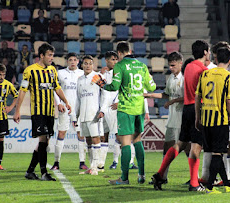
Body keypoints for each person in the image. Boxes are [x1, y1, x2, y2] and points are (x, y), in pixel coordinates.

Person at [92, 41, 156, 184]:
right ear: (130, 50)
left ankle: (124, 178)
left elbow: (114, 86)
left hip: (126, 109)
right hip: (139, 108)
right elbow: (152, 86)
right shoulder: (142, 65)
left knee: (125, 143)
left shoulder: (120, 66)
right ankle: (141, 175)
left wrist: (101, 83)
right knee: (138, 140)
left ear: (119, 53)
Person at [151, 40, 209, 191]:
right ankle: (194, 184)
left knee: (180, 144)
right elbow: (202, 93)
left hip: (186, 110)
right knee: (195, 147)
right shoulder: (203, 70)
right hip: (197, 109)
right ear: (205, 52)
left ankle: (160, 175)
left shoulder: (188, 67)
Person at [13, 43, 71, 181]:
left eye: (52, 55)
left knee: (45, 142)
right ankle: (44, 173)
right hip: (38, 111)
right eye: (49, 55)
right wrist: (17, 110)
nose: (52, 58)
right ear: (41, 56)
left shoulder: (52, 70)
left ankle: (30, 171)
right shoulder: (30, 70)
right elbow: (22, 91)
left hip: (50, 112)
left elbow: (56, 88)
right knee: (43, 138)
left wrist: (66, 101)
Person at [195, 47, 230, 194]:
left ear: (216, 59)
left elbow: (197, 98)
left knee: (215, 152)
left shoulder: (204, 74)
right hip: (220, 120)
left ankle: (227, 184)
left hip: (206, 119)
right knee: (218, 154)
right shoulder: (229, 77)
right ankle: (209, 187)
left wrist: (197, 116)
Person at [144, 51, 185, 182]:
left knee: (188, 150)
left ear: (180, 63)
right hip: (172, 119)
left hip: (182, 119)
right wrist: (150, 95)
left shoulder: (185, 78)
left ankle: (194, 179)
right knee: (167, 148)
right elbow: (166, 95)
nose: (171, 68)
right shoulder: (171, 79)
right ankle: (163, 176)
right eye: (170, 66)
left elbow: (188, 98)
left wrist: (172, 101)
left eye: (173, 65)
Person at [49, 53, 86, 171]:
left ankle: (82, 162)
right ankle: (56, 162)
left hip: (78, 109)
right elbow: (54, 88)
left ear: (78, 61)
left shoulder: (82, 73)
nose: (72, 62)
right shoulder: (61, 73)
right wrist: (59, 103)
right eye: (70, 60)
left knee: (80, 135)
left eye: (75, 60)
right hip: (64, 108)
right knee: (61, 134)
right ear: (67, 62)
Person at [76, 55, 104, 176]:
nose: (88, 66)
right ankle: (91, 166)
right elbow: (78, 99)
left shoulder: (98, 77)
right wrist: (75, 115)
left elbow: (105, 94)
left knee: (95, 138)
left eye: (90, 63)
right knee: (87, 140)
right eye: (85, 63)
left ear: (93, 65)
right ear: (82, 65)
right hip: (83, 114)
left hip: (94, 114)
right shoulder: (80, 79)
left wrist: (102, 110)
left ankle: (95, 167)